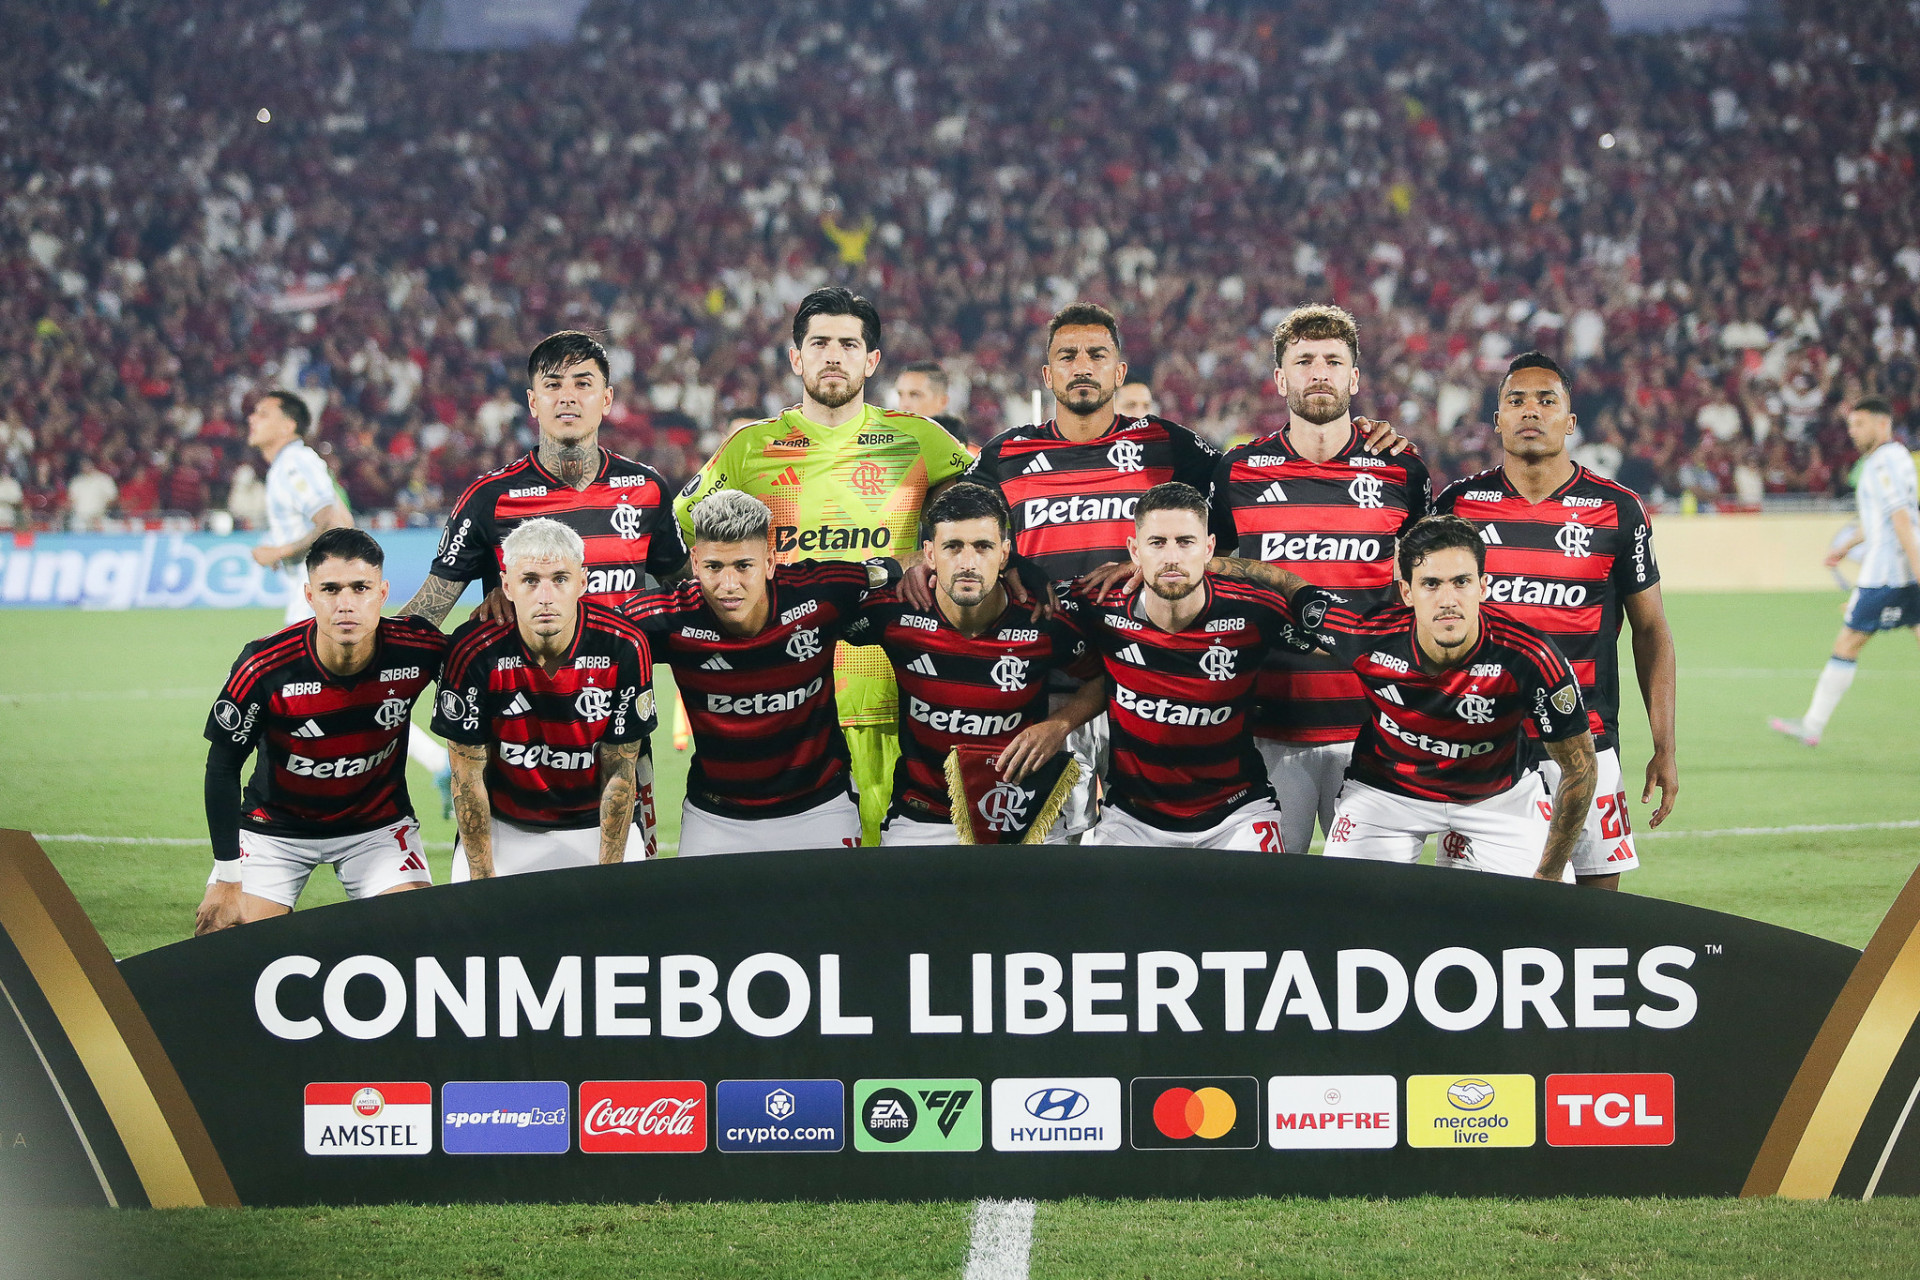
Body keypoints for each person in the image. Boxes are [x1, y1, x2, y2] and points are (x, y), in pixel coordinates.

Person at [674, 286, 974, 844]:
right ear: (796, 357)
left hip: (905, 689)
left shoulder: (920, 440)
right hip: (796, 700)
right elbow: (686, 526)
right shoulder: (749, 450)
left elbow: (981, 514)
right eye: (819, 343)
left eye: (848, 343)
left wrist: (926, 552)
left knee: (908, 882)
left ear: (871, 359)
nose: (833, 356)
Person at [395, 330, 686, 830]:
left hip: (619, 730)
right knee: (506, 897)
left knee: (626, 889)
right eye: (552, 385)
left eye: (583, 383)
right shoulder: (490, 499)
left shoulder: (647, 490)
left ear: (607, 399)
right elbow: (425, 615)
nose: (568, 395)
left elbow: (686, 599)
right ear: (533, 402)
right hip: (516, 739)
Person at [1221, 515, 1598, 881]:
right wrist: (1204, 563)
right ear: (1406, 592)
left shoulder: (1531, 656)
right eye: (1431, 584)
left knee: (1548, 912)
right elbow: (1291, 587)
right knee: (1343, 911)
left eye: (1461, 582)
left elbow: (1580, 768)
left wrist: (1548, 872)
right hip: (1387, 795)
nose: (1448, 599)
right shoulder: (1366, 633)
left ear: (1483, 586)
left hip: (1498, 798)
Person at [1437, 351, 1677, 889]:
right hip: (1485, 743)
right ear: (1495, 419)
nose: (1530, 412)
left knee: (1596, 915)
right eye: (1515, 401)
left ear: (1570, 421)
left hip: (1589, 739)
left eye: (1547, 401)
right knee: (1479, 916)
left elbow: (1652, 630)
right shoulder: (1457, 507)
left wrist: (1665, 745)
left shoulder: (1618, 509)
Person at [1211, 302, 1432, 856]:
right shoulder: (1237, 472)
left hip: (1373, 728)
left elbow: (1428, 590)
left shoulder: (1403, 471)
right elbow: (1207, 568)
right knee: (1266, 907)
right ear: (1280, 378)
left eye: (1333, 361)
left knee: (1371, 904)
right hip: (1267, 726)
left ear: (1354, 377)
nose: (1319, 373)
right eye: (1304, 360)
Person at [194, 529, 446, 933]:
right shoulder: (264, 665)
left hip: (376, 827)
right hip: (274, 830)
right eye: (331, 589)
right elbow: (222, 767)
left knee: (415, 935)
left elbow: (482, 673)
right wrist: (227, 876)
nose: (345, 604)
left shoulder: (420, 649)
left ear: (382, 593)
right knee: (220, 936)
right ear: (310, 596)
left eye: (360, 588)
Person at [843, 482, 1105, 844]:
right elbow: (813, 602)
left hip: (1019, 818)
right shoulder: (894, 610)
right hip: (921, 820)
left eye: (983, 547)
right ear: (929, 555)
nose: (967, 564)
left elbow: (1104, 678)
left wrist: (1059, 725)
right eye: (952, 547)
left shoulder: (1043, 619)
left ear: (1005, 555)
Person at [624, 490, 883, 855]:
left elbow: (894, 574)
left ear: (770, 561)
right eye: (714, 567)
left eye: (744, 566)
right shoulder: (666, 617)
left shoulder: (824, 590)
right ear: (695, 562)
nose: (729, 585)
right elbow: (591, 634)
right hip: (715, 817)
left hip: (821, 809)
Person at [1074, 483, 1312, 850]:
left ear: (1209, 549)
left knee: (1263, 908)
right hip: (1131, 818)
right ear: (1134, 551)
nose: (1171, 556)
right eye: (1157, 543)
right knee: (1108, 909)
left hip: (1237, 814)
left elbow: (1341, 641)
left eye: (1185, 542)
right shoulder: (1098, 603)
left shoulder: (1257, 610)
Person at [434, 519, 657, 878]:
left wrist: (609, 876)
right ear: (506, 585)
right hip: (504, 827)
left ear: (582, 582)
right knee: (477, 929)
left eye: (560, 579)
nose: (546, 596)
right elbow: (466, 777)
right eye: (530, 580)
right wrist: (482, 878)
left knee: (621, 929)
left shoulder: (624, 644)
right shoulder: (472, 650)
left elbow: (619, 770)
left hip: (594, 824)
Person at [1772, 396, 1920, 745]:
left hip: (1888, 575)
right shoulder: (1897, 458)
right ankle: (1812, 725)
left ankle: (1812, 725)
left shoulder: (1882, 464)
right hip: (1904, 571)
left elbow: (1900, 521)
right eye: (1851, 425)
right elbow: (1881, 522)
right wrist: (1845, 547)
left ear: (1882, 423)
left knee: (1848, 642)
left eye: (1859, 424)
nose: (1852, 432)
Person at [247, 390, 352, 625]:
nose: (251, 419)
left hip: (322, 593)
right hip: (319, 592)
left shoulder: (294, 463)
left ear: (287, 426)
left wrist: (279, 552)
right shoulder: (291, 463)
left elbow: (335, 525)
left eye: (263, 414)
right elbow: (339, 518)